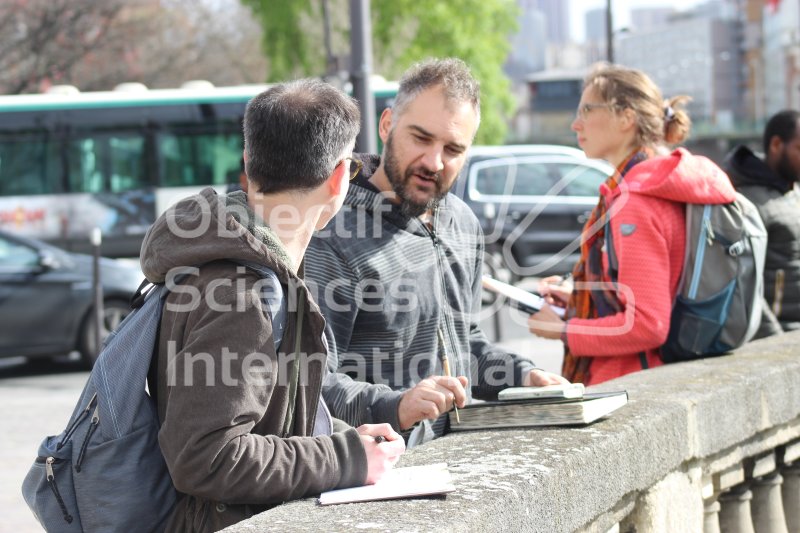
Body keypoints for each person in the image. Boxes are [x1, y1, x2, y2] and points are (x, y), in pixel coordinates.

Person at [139, 79, 405, 532]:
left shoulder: (228, 264)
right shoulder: (241, 296)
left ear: (248, 162)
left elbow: (265, 427)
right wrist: (344, 458)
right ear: (340, 177)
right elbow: (205, 457)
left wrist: (342, 439)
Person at [304, 58, 567, 446]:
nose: (434, 162)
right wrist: (397, 407)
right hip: (371, 478)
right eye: (421, 138)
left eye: (453, 148)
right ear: (386, 125)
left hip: (451, 462)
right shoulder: (331, 232)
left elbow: (464, 344)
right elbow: (309, 385)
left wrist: (524, 376)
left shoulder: (463, 224)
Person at [528, 63, 737, 386]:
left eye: (587, 109)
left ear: (626, 118)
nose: (575, 123)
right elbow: (656, 294)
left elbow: (647, 324)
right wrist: (579, 299)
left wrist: (563, 329)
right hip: (662, 378)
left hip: (630, 384)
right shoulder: (663, 182)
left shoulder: (636, 201)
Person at [724, 110, 800, 336]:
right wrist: (776, 340)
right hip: (782, 337)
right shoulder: (748, 202)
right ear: (776, 145)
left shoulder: (792, 192)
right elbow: (741, 280)